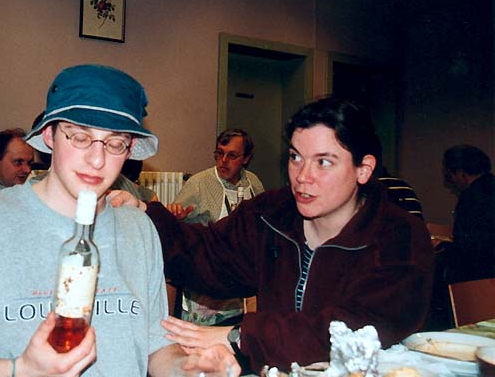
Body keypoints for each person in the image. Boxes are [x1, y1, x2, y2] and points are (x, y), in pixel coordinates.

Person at [0, 65, 240, 377]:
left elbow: (157, 350)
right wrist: (19, 370)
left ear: (130, 149)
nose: (96, 159)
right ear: (49, 136)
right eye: (80, 137)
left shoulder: (139, 229)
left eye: (115, 143)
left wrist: (192, 369)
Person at [111, 97, 434, 372]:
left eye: (323, 162)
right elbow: (210, 255)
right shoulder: (272, 214)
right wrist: (146, 217)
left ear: (363, 169)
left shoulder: (400, 235)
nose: (303, 177)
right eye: (296, 157)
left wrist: (241, 336)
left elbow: (358, 328)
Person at [167, 128, 265, 327]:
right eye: (219, 153)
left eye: (232, 155)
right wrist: (177, 216)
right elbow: (176, 231)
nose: (223, 161)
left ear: (246, 158)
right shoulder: (199, 183)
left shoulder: (253, 183)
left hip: (239, 280)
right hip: (206, 281)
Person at [441, 144, 495, 284]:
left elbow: (468, 248)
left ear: (461, 173)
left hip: (480, 279)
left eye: (450, 176)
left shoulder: (471, 197)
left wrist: (443, 247)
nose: (451, 182)